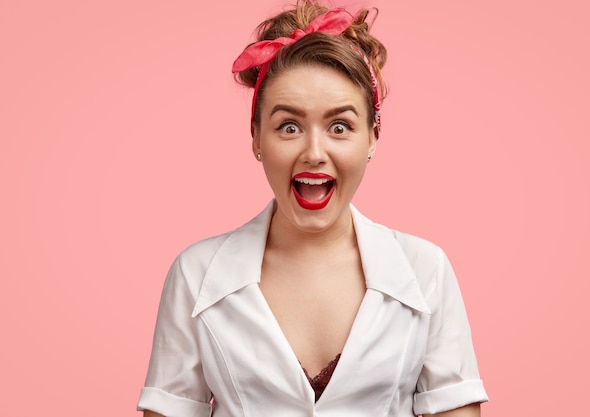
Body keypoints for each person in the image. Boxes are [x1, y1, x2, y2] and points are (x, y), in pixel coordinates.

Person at [137, 1, 488, 416]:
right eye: (289, 126)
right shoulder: (195, 274)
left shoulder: (425, 270)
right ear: (256, 138)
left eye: (340, 126)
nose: (314, 153)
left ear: (373, 137)